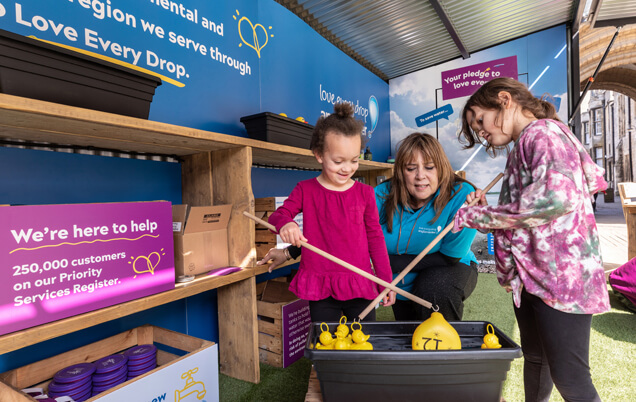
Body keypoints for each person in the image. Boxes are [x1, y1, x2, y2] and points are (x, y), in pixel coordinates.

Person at [454, 77, 609, 402]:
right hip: (536, 279)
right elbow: (525, 210)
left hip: (561, 281)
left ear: (504, 100)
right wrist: (490, 211)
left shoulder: (543, 135)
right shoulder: (529, 139)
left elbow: (553, 201)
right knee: (537, 360)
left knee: (571, 379)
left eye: (481, 120)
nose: (482, 133)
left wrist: (475, 217)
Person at [260, 133, 479, 322]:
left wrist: (378, 265)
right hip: (396, 272)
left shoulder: (462, 196)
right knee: (410, 332)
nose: (421, 176)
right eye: (411, 168)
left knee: (435, 288)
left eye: (429, 168)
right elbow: (340, 232)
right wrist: (290, 252)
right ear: (401, 172)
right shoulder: (383, 194)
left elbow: (449, 257)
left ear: (441, 168)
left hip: (446, 266)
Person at [265, 102, 395, 323]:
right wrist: (286, 224)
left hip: (359, 283)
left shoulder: (365, 193)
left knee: (364, 343)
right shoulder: (305, 189)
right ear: (319, 155)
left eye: (354, 160)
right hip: (321, 286)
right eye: (338, 161)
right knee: (325, 344)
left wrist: (386, 280)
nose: (347, 168)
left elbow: (375, 238)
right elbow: (278, 215)